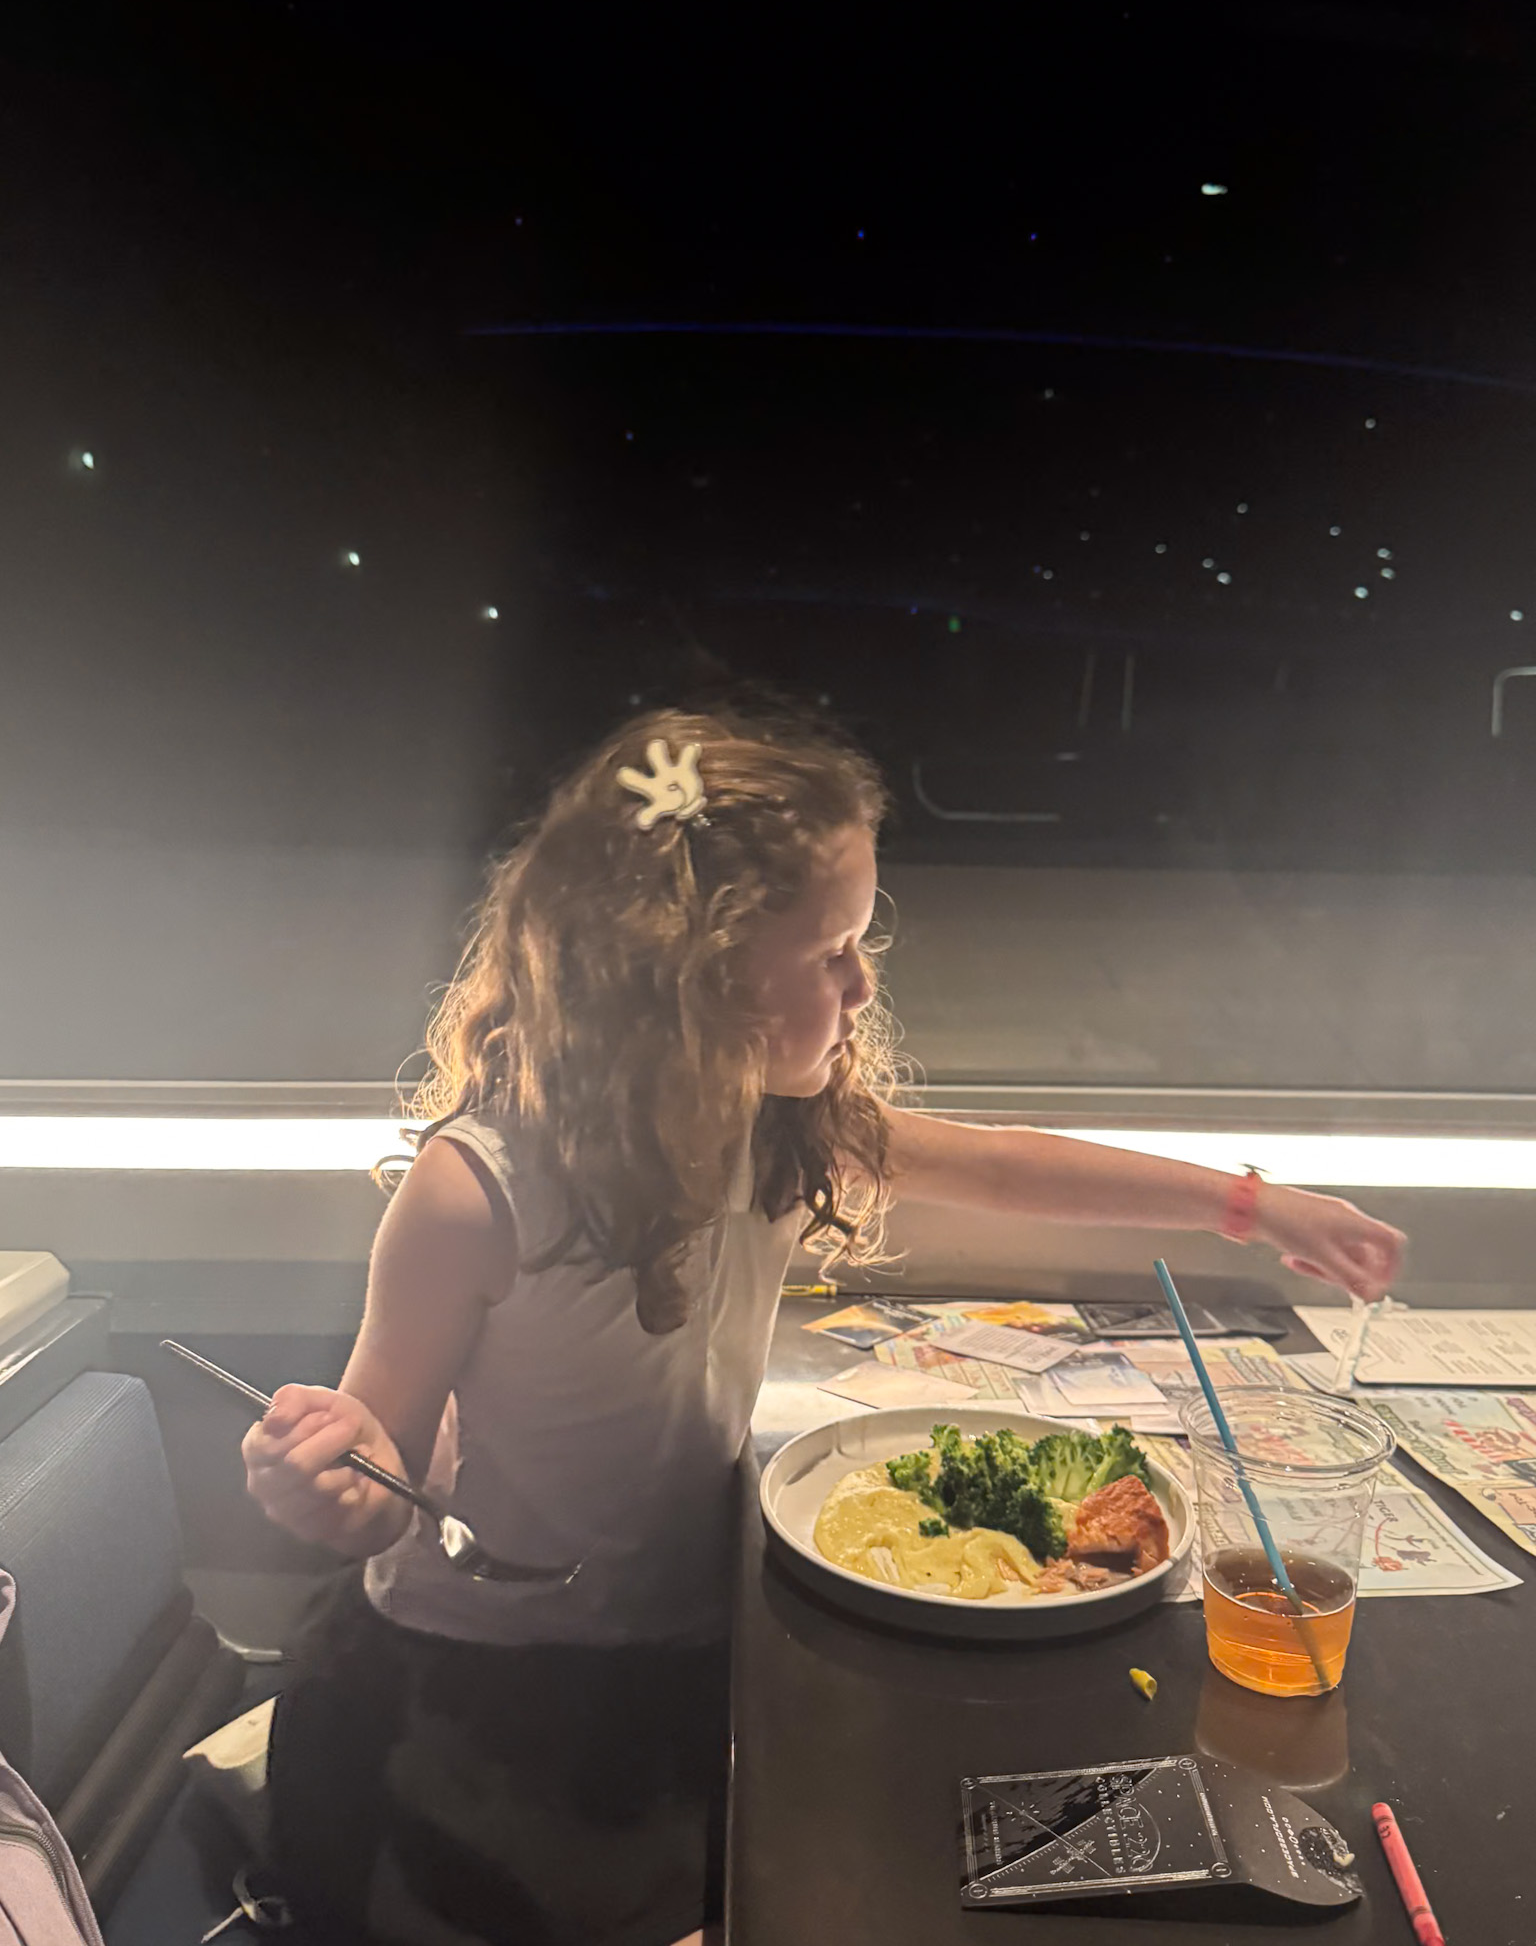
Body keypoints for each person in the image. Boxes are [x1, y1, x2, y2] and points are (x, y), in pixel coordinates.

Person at [243, 702, 1403, 1946]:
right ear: (694, 973)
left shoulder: (780, 1120)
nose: (862, 983)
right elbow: (384, 1459)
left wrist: (1249, 1202)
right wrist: (328, 1479)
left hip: (689, 1641)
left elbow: (1007, 1167)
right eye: (834, 948)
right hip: (483, 1700)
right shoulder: (478, 1189)